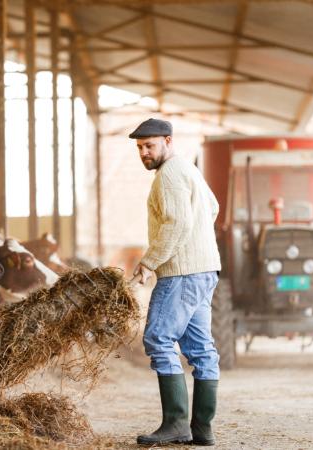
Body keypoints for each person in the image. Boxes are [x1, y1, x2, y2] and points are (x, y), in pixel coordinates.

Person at [129, 118, 221, 446]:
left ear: (168, 141)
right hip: (205, 269)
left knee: (158, 338)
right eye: (140, 147)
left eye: (149, 145)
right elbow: (211, 207)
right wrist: (197, 240)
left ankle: (176, 424)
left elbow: (177, 223)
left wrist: (149, 262)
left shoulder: (168, 175)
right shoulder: (188, 168)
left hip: (181, 272)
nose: (144, 152)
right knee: (201, 350)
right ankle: (202, 430)